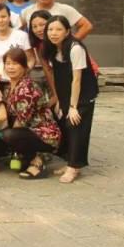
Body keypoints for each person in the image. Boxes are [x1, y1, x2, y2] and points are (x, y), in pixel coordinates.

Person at [42, 15, 98, 184]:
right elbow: (58, 77)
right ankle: (71, 163)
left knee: (75, 125)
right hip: (67, 94)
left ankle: (74, 167)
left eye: (58, 29)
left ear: (67, 32)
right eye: (50, 29)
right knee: (65, 126)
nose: (54, 33)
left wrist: (73, 106)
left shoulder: (75, 48)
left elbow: (77, 79)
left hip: (83, 95)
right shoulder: (53, 50)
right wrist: (59, 100)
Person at [1, 48, 61, 179]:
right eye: (8, 63)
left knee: (9, 135)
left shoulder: (27, 87)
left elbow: (21, 121)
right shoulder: (8, 87)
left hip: (44, 134)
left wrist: (11, 143)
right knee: (7, 136)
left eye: (15, 64)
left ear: (24, 66)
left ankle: (38, 163)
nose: (11, 67)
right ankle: (29, 157)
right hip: (29, 132)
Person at [20, 0, 93, 40]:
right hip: (36, 51)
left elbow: (86, 26)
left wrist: (72, 43)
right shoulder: (26, 11)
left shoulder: (65, 9)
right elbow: (18, 31)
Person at [0, 3, 33, 87]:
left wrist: (24, 72)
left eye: (3, 17)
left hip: (20, 82)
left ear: (9, 17)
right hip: (0, 82)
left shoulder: (22, 36)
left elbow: (31, 59)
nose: (1, 20)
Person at [27, 10, 59, 106]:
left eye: (42, 25)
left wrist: (59, 96)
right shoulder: (39, 45)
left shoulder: (61, 40)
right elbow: (47, 70)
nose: (39, 29)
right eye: (35, 27)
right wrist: (55, 95)